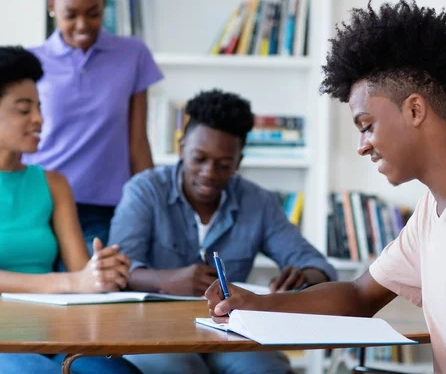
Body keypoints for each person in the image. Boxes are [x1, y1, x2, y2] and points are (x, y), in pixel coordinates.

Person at [205, 0, 446, 374]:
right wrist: (256, 303)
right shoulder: (432, 212)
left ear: (415, 110)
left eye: (366, 125)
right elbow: (357, 296)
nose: (362, 145)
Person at [108, 89, 337, 374]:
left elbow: (320, 266)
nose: (209, 172)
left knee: (269, 368)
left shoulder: (258, 203)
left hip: (229, 329)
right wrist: (165, 280)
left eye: (224, 165)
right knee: (181, 368)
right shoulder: (145, 191)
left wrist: (305, 277)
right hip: (155, 325)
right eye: (199, 159)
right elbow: (116, 272)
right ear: (181, 148)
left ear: (239, 162)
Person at [0, 46, 139, 374]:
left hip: (55, 334)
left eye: (38, 107)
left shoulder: (53, 184)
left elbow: (82, 274)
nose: (39, 118)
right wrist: (73, 282)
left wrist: (101, 273)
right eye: (24, 110)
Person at [25, 0, 163, 251]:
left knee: (97, 285)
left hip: (103, 207)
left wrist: (154, 207)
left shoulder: (132, 55)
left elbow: (137, 143)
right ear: (52, 6)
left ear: (105, 6)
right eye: (70, 15)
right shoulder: (30, 60)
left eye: (93, 13)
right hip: (37, 201)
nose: (82, 25)